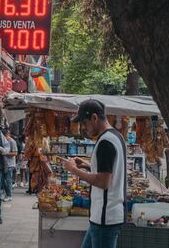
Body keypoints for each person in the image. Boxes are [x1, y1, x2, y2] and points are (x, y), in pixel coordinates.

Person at [63, 100, 127, 248]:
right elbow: (111, 171)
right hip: (103, 216)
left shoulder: (105, 142)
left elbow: (103, 182)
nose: (84, 128)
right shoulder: (116, 136)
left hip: (105, 218)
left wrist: (74, 170)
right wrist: (87, 166)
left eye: (84, 123)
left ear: (94, 118)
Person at [2, 129, 18, 202]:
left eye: (5, 136)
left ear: (8, 134)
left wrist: (5, 153)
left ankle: (9, 195)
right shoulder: (3, 142)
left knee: (8, 180)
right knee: (3, 180)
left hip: (10, 164)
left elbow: (15, 153)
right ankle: (6, 194)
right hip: (3, 163)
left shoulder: (12, 141)